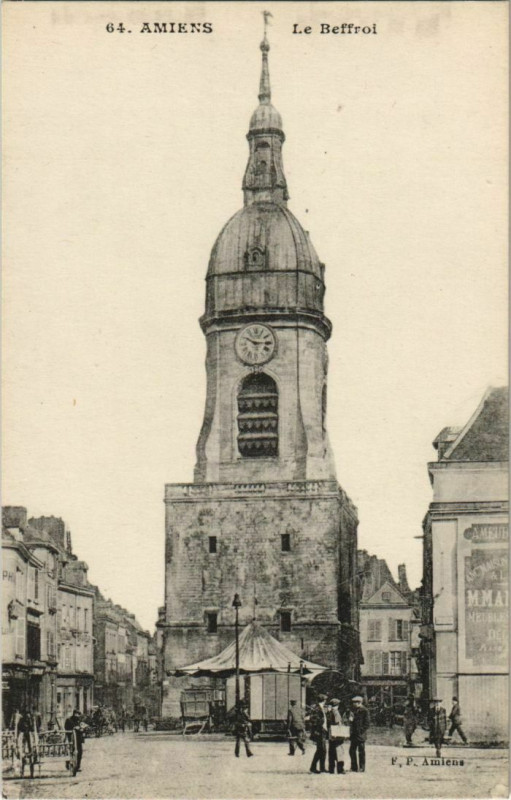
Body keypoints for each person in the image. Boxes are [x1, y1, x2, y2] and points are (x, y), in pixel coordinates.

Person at [349, 695, 370, 773]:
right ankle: (354, 767)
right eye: (353, 702)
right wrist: (350, 720)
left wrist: (361, 731)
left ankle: (362, 768)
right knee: (352, 751)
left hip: (361, 735)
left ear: (359, 702)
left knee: (361, 752)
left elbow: (367, 723)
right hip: (354, 734)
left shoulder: (365, 710)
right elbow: (352, 721)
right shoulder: (353, 710)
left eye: (355, 702)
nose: (353, 704)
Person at [309, 694, 328, 774]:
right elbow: (314, 720)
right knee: (322, 750)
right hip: (319, 731)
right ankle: (315, 767)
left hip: (321, 731)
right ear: (324, 700)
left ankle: (319, 767)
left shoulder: (320, 708)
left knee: (321, 750)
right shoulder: (317, 708)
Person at [327, 698, 346, 774]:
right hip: (337, 734)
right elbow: (338, 723)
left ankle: (331, 769)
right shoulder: (336, 713)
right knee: (339, 752)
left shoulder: (329, 712)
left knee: (331, 752)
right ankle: (340, 769)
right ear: (337, 705)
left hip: (331, 735)